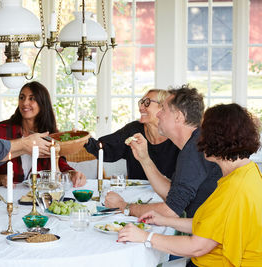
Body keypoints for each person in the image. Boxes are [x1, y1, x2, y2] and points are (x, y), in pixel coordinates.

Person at [117, 103, 262, 267]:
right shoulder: (247, 172)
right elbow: (210, 227)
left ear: (218, 138)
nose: (199, 139)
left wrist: (145, 237)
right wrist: (165, 221)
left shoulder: (235, 187)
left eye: (203, 133)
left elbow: (197, 247)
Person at [105, 85, 222, 218]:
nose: (159, 114)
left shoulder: (194, 151)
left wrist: (124, 206)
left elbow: (171, 210)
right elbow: (173, 195)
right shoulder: (194, 143)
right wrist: (144, 159)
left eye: (164, 109)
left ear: (178, 117)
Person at [0, 81, 86, 189]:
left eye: (32, 98)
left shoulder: (51, 134)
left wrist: (73, 174)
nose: (24, 103)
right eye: (22, 97)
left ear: (42, 103)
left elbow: (60, 163)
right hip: (5, 199)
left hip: (40, 198)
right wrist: (1, 179)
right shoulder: (1, 131)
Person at [85, 89, 180, 180]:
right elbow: (107, 149)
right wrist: (85, 140)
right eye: (141, 102)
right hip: (136, 193)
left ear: (164, 106)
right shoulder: (133, 129)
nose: (141, 108)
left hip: (169, 194)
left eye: (147, 102)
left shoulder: (176, 137)